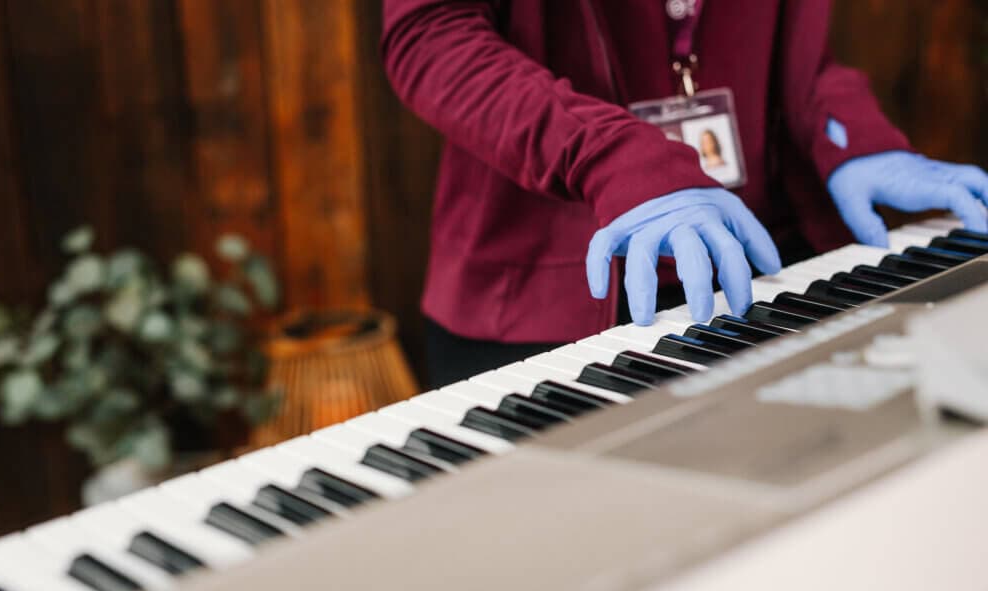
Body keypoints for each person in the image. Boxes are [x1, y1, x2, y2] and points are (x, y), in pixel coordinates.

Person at [382, 0, 988, 387]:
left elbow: (799, 51)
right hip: (546, 304)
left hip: (769, 275)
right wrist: (611, 156)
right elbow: (432, 34)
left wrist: (855, 139)